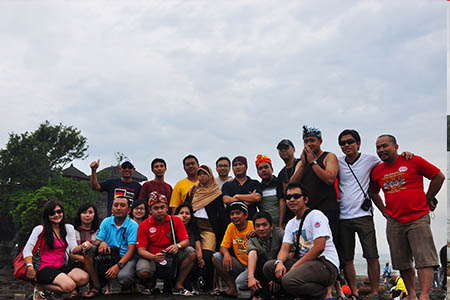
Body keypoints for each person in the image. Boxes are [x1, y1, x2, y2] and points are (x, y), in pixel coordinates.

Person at [370, 134, 445, 300]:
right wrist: (384, 211)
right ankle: (411, 295)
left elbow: (438, 176)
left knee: (424, 258)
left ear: (396, 147)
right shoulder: (377, 171)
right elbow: (373, 192)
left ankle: (424, 295)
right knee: (401, 260)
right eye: (378, 147)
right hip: (395, 221)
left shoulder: (412, 160)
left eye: (385, 146)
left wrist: (429, 198)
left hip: (418, 217)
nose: (381, 150)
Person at [290, 125, 342, 300]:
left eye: (312, 140)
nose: (309, 144)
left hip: (328, 209)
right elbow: (292, 184)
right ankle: (318, 289)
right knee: (307, 249)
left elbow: (329, 178)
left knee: (328, 249)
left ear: (320, 141)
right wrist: (304, 164)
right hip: (308, 212)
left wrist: (313, 162)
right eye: (306, 141)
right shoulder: (301, 161)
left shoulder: (329, 157)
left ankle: (332, 291)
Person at [263, 182, 339, 300]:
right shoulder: (291, 223)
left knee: (289, 280)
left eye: (296, 196)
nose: (291, 200)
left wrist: (296, 266)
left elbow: (319, 247)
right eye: (288, 197)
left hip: (325, 264)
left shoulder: (316, 216)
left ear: (306, 199)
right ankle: (302, 294)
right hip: (305, 264)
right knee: (269, 267)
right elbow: (284, 248)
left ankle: (322, 293)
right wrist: (279, 262)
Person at [336, 129, 381, 299]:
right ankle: (354, 292)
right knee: (347, 258)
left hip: (364, 215)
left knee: (372, 255)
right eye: (342, 143)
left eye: (350, 142)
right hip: (343, 217)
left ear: (358, 143)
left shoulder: (370, 159)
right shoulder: (338, 161)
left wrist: (406, 155)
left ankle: (375, 291)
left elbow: (388, 163)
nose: (346, 145)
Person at [23, 200, 89, 300]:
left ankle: (52, 291)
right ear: (47, 216)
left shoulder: (68, 228)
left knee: (83, 278)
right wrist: (30, 267)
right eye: (52, 213)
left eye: (59, 211)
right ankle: (41, 287)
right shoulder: (40, 229)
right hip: (44, 268)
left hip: (61, 266)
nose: (56, 215)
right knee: (69, 286)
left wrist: (84, 245)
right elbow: (27, 250)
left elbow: (73, 249)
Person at [136, 191, 196, 296]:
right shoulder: (144, 225)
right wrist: (153, 257)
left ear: (167, 208)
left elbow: (186, 241)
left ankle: (178, 285)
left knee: (191, 252)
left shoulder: (176, 220)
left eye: (162, 207)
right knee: (143, 270)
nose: (159, 211)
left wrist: (177, 246)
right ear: (150, 210)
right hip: (152, 256)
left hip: (171, 255)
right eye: (156, 208)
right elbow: (141, 250)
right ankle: (149, 285)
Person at [82, 196, 139, 298]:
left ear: (129, 210)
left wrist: (118, 266)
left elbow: (131, 251)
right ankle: (96, 286)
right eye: (116, 205)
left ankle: (130, 285)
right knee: (89, 250)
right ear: (112, 208)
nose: (118, 208)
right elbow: (97, 241)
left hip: (125, 257)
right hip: (109, 255)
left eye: (122, 205)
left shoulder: (133, 225)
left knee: (124, 277)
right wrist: (102, 242)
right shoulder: (106, 221)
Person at [185, 165, 229, 292]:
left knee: (207, 255)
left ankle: (209, 285)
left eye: (205, 174)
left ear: (210, 175)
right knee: (192, 254)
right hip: (194, 228)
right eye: (200, 174)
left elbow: (221, 214)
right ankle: (193, 283)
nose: (202, 176)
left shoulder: (215, 192)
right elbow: (187, 208)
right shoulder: (193, 191)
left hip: (209, 229)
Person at [212, 201, 254, 298]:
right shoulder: (231, 227)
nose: (234, 216)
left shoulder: (253, 225)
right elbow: (223, 246)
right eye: (232, 214)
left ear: (246, 215)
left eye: (238, 213)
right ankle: (232, 288)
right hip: (240, 264)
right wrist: (226, 254)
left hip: (254, 266)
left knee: (240, 283)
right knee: (216, 257)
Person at [247, 211, 286, 300]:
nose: (261, 228)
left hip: (280, 268)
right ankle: (259, 295)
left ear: (271, 226)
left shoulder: (280, 234)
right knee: (258, 259)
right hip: (263, 272)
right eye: (258, 226)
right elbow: (252, 253)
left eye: (264, 225)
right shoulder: (252, 239)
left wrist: (275, 276)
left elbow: (290, 252)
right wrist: (250, 277)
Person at [71, 203, 101, 298]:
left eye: (90, 212)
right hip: (77, 262)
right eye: (84, 212)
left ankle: (97, 286)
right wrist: (82, 259)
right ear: (79, 215)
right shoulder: (72, 231)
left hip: (96, 262)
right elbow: (69, 253)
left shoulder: (99, 231)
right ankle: (75, 288)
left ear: (95, 215)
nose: (87, 215)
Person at [175, 203, 204, 294]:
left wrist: (200, 258)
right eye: (181, 213)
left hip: (190, 260)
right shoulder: (172, 227)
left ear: (191, 216)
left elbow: (198, 246)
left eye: (187, 213)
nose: (184, 216)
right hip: (175, 257)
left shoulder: (193, 229)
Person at [222, 156, 262, 220]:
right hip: (232, 223)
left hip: (251, 221)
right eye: (235, 165)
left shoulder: (254, 183)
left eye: (240, 164)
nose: (238, 167)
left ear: (246, 166)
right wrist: (248, 199)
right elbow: (226, 200)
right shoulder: (227, 185)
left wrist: (237, 196)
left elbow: (257, 197)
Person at [276, 139, 299, 228]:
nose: (284, 151)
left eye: (286, 148)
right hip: (290, 216)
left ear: (294, 149)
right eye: (281, 149)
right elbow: (281, 200)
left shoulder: (301, 164)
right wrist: (281, 223)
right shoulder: (281, 174)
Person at [255, 155, 280, 227]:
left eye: (266, 167)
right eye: (260, 168)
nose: (263, 170)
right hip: (265, 228)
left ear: (272, 169)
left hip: (282, 225)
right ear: (257, 172)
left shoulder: (280, 183)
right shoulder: (258, 187)